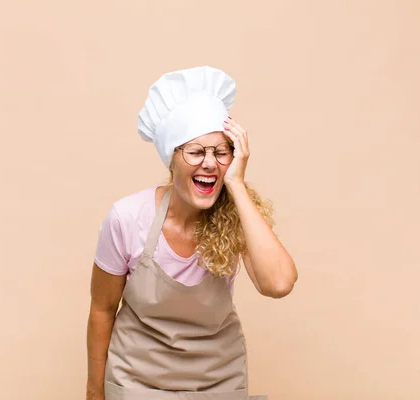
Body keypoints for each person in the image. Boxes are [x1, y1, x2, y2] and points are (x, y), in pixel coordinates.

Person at [86, 66, 298, 400]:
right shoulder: (127, 218)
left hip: (218, 383)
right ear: (172, 159)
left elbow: (279, 283)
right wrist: (94, 395)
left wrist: (237, 186)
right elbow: (102, 309)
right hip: (137, 385)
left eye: (221, 152)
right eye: (196, 152)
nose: (210, 164)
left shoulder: (234, 216)